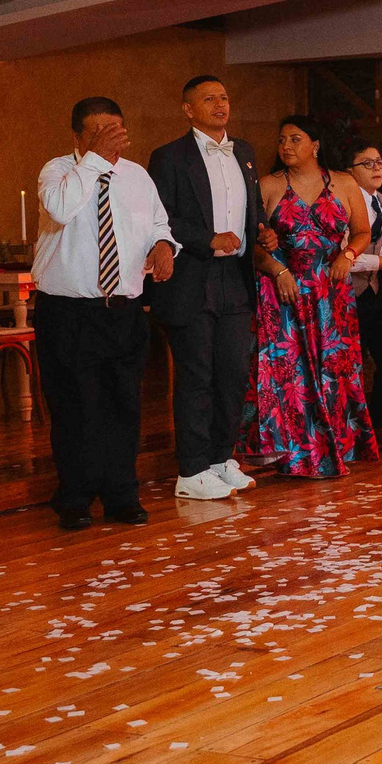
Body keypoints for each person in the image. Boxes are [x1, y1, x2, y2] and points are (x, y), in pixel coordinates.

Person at [33, 97, 177, 530]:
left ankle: (121, 495)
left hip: (124, 310)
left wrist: (164, 245)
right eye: (98, 131)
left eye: (117, 128)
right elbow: (60, 209)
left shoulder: (137, 176)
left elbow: (157, 224)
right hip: (69, 313)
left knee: (124, 405)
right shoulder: (57, 171)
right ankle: (74, 499)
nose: (112, 138)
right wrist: (94, 158)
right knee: (76, 408)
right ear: (77, 136)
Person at [148, 74, 262, 502]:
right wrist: (206, 238)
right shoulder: (169, 157)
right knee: (196, 376)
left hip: (236, 277)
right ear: (188, 109)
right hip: (192, 277)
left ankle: (219, 458)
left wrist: (261, 232)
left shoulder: (245, 151)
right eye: (209, 98)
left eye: (225, 96)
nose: (220, 104)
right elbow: (160, 217)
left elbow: (254, 208)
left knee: (232, 374)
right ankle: (191, 469)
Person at [242, 115, 375, 479]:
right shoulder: (268, 185)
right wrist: (276, 269)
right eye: (282, 139)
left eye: (295, 139)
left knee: (334, 371)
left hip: (331, 290)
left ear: (314, 145)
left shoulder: (345, 183)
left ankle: (334, 447)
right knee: (289, 376)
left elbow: (362, 231)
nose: (285, 146)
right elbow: (251, 246)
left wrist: (348, 256)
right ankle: (292, 455)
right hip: (282, 291)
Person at [344, 140, 382, 452]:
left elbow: (376, 246)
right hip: (344, 293)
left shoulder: (380, 200)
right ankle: (347, 433)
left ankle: (378, 422)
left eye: (380, 162)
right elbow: (341, 257)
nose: (377, 167)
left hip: (372, 291)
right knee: (349, 364)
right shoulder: (341, 203)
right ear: (348, 171)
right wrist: (380, 262)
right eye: (367, 163)